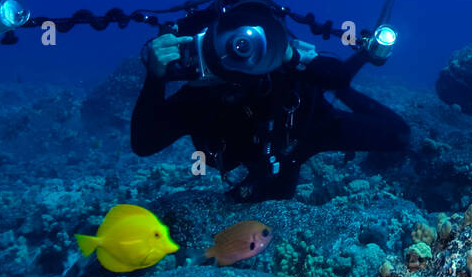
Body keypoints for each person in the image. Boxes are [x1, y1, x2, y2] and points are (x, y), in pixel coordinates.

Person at [131, 26, 410, 202]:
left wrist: (290, 55)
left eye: (242, 44)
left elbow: (336, 75)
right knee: (276, 195)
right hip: (262, 156)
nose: (234, 54)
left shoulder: (278, 65)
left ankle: (352, 70)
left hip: (310, 126)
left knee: (399, 135)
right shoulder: (198, 97)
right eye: (214, 47)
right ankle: (339, 84)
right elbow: (144, 143)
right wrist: (154, 78)